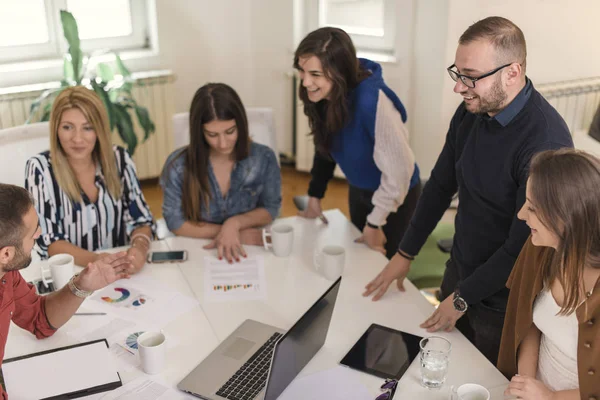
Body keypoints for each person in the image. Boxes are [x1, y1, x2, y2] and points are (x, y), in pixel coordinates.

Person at [363, 16, 573, 365]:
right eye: (457, 73)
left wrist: (462, 298)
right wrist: (405, 253)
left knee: (480, 377)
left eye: (471, 77)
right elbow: (440, 186)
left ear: (512, 72)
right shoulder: (471, 112)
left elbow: (520, 248)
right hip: (460, 269)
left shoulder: (544, 143)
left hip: (502, 296)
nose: (459, 88)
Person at [293, 27, 421, 260]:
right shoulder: (324, 94)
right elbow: (325, 146)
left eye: (315, 74)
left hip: (396, 198)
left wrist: (375, 223)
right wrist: (315, 196)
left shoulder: (371, 102)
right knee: (362, 262)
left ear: (338, 72)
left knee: (385, 268)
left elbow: (399, 173)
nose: (306, 82)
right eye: (302, 71)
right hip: (360, 190)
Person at [0, 183, 132, 400]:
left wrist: (81, 286)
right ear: (6, 253)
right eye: (33, 232)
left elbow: (39, 318)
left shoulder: (7, 273)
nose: (39, 234)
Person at [498, 149, 600, 400]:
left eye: (532, 208)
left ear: (566, 219)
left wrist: (552, 398)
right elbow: (529, 324)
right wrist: (527, 385)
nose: (521, 215)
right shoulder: (540, 248)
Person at [25, 86, 155, 274]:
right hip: (71, 275)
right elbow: (49, 240)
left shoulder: (119, 159)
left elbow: (141, 219)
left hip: (121, 272)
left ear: (99, 130)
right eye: (67, 127)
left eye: (87, 128)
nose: (77, 139)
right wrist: (95, 260)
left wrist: (140, 247)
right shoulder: (39, 169)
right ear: (56, 129)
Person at [160, 83, 281, 263]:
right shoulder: (178, 166)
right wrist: (228, 233)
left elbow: (270, 208)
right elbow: (175, 222)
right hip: (200, 253)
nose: (223, 143)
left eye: (230, 131)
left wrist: (234, 224)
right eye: (212, 135)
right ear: (199, 132)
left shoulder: (263, 157)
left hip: (251, 253)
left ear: (241, 124)